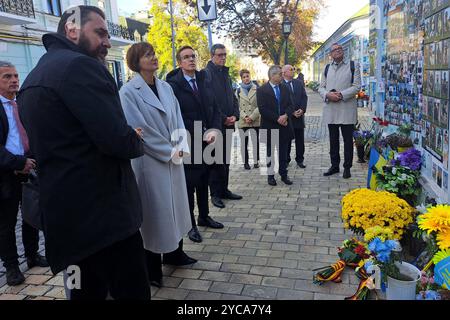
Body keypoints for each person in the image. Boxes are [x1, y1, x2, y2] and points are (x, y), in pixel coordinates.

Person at [18, 6, 150, 300]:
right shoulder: (82, 67)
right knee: (132, 293)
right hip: (108, 223)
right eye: (100, 33)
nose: (107, 42)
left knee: (84, 293)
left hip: (67, 225)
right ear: (73, 30)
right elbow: (117, 139)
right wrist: (135, 139)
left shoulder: (35, 75)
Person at [120, 42, 197, 289]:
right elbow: (139, 129)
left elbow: (178, 117)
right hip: (150, 162)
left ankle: (175, 253)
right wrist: (169, 151)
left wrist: (182, 144)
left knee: (177, 207)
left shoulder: (165, 87)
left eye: (154, 53)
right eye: (147, 54)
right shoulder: (128, 92)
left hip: (174, 157)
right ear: (135, 61)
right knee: (155, 215)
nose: (154, 57)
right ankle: (152, 268)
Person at [166, 45, 224, 244]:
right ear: (179, 62)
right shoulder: (173, 85)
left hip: (208, 139)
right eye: (186, 57)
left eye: (193, 56)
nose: (191, 60)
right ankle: (189, 224)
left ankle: (204, 216)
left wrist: (215, 129)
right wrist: (201, 132)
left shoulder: (204, 79)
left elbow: (215, 107)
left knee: (204, 179)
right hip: (188, 140)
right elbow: (177, 116)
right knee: (190, 184)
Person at [0, 61, 48, 287]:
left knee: (31, 214)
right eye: (7, 77)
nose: (14, 80)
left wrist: (34, 159)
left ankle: (32, 254)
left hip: (29, 168)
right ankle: (11, 266)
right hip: (5, 174)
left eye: (16, 76)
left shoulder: (23, 104)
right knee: (6, 224)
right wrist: (17, 162)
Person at [204, 44, 242, 209]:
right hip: (215, 125)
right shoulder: (207, 74)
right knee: (215, 160)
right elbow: (211, 102)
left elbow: (232, 97)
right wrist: (224, 118)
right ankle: (215, 194)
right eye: (220, 55)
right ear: (212, 55)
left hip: (228, 124)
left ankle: (224, 189)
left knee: (225, 160)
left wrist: (235, 115)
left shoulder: (225, 73)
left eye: (225, 55)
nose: (223, 57)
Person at [318, 43, 361, 179]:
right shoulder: (326, 68)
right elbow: (321, 87)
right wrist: (327, 95)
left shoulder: (353, 66)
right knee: (333, 140)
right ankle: (334, 165)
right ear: (330, 54)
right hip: (331, 109)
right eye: (334, 50)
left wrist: (341, 94)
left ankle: (347, 167)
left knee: (348, 140)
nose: (337, 51)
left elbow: (357, 86)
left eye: (339, 49)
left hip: (347, 109)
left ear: (343, 51)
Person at [257, 66, 295, 186]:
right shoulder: (262, 90)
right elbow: (262, 109)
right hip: (269, 126)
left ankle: (284, 174)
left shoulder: (285, 88)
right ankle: (270, 176)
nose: (282, 76)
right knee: (270, 153)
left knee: (283, 152)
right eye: (279, 74)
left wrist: (285, 116)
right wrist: (277, 118)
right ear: (272, 76)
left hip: (284, 125)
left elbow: (291, 105)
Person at [282, 65, 308, 169]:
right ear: (284, 72)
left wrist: (302, 109)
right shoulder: (280, 84)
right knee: (287, 140)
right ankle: (286, 159)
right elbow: (281, 101)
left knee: (300, 140)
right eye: (291, 69)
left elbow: (304, 97)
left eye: (293, 69)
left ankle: (300, 159)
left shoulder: (298, 83)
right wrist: (291, 112)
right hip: (287, 117)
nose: (293, 71)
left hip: (299, 116)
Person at [237, 69, 260, 170]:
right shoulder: (238, 91)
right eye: (244, 77)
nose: (246, 78)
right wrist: (245, 117)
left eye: (247, 76)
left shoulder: (257, 89)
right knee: (244, 143)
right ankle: (245, 162)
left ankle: (256, 161)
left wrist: (252, 117)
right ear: (241, 79)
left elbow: (260, 105)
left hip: (255, 120)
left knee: (255, 142)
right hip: (243, 121)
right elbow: (236, 107)